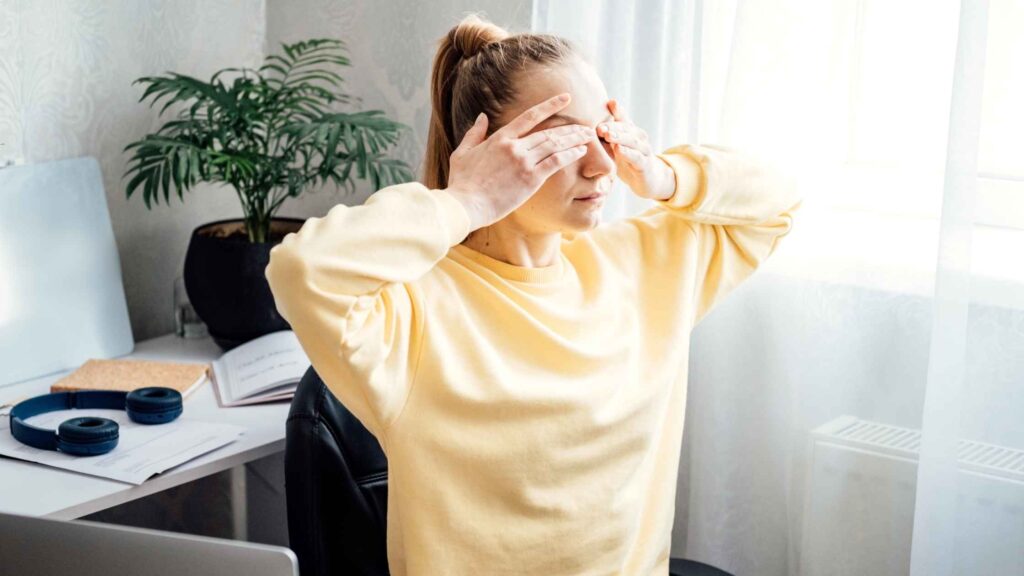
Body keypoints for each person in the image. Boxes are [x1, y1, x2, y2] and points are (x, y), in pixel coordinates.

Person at [265, 13, 803, 576]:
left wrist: (663, 177)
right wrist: (467, 200)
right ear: (494, 153)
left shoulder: (642, 270)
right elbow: (301, 271)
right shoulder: (415, 313)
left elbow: (780, 199)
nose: (601, 165)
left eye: (603, 132)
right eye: (563, 139)